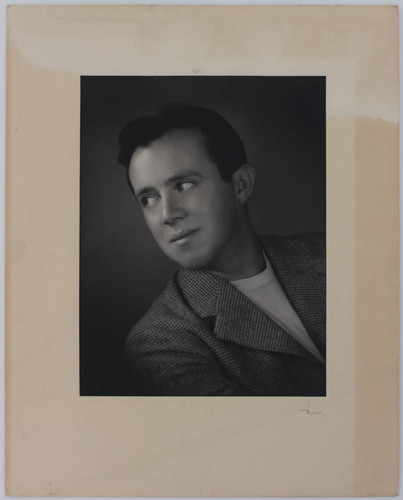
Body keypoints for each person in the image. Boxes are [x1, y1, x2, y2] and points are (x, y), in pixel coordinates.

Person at [118, 104, 326, 396]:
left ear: (241, 185)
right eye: (149, 198)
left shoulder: (328, 254)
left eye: (184, 185)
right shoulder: (160, 343)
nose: (167, 214)